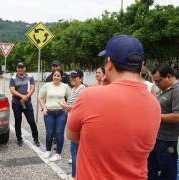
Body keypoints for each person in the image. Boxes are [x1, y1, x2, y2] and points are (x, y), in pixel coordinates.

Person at [67, 35, 161, 179]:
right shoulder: (154, 103)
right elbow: (146, 146)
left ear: (109, 63)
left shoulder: (89, 96)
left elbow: (72, 135)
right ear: (141, 64)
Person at [148, 64, 179, 180]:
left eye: (158, 81)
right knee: (152, 170)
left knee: (168, 174)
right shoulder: (165, 89)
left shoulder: (177, 91)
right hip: (158, 138)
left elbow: (177, 116)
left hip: (168, 141)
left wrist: (155, 115)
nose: (156, 84)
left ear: (168, 77)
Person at [39, 69, 70, 161]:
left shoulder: (65, 86)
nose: (56, 77)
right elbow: (40, 98)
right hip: (49, 112)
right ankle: (48, 151)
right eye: (55, 75)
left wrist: (67, 107)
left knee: (59, 133)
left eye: (58, 76)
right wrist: (44, 108)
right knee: (50, 133)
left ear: (61, 77)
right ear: (52, 76)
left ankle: (58, 154)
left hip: (61, 113)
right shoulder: (47, 85)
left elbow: (70, 98)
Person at [59, 69, 86, 179]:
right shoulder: (74, 89)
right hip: (73, 122)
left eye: (75, 77)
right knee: (74, 150)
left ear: (81, 79)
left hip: (78, 125)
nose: (72, 79)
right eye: (71, 76)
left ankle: (75, 175)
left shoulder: (83, 90)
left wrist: (67, 107)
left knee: (75, 151)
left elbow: (82, 107)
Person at [9, 62, 40, 147]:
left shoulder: (30, 77)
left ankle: (36, 138)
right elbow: (12, 90)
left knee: (32, 121)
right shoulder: (13, 78)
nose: (20, 69)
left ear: (25, 68)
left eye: (22, 67)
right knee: (18, 121)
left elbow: (33, 88)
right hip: (16, 103)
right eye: (19, 67)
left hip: (27, 103)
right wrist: (22, 96)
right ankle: (19, 139)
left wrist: (27, 96)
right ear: (17, 69)